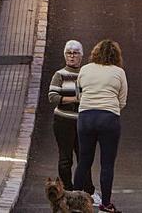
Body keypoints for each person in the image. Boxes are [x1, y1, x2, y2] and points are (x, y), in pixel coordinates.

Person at [73, 40, 127, 213]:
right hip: (109, 118)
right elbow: (122, 100)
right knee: (107, 164)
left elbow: (78, 93)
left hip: (86, 117)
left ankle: (75, 203)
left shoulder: (85, 69)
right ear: (116, 55)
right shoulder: (119, 72)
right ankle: (105, 204)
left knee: (84, 160)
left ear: (95, 53)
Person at [48, 40, 86, 193]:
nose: (72, 56)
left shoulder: (86, 74)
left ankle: (85, 190)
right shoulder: (60, 75)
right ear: (65, 56)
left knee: (84, 158)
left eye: (75, 53)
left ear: (81, 56)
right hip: (63, 121)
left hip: (83, 122)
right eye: (69, 53)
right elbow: (52, 97)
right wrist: (75, 99)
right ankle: (66, 190)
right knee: (65, 159)